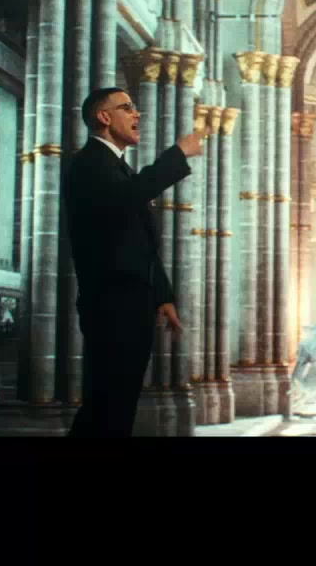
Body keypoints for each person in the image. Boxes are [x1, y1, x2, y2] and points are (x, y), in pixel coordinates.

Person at [64, 86, 202, 437]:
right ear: (104, 117)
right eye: (127, 108)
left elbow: (139, 240)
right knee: (107, 406)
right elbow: (127, 198)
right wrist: (177, 154)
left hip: (129, 302)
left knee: (117, 405)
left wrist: (162, 295)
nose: (136, 114)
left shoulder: (116, 166)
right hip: (111, 303)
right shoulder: (89, 163)